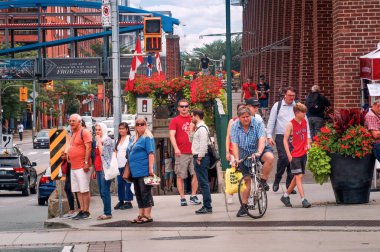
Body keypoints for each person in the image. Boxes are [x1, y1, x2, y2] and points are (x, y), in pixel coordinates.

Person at [231, 107, 275, 217]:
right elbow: (235, 143)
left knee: (270, 157)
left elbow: (261, 139)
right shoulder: (235, 125)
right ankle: (244, 206)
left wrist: (259, 152)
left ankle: (263, 181)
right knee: (246, 182)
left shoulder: (258, 123)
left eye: (247, 116)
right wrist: (236, 158)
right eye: (243, 117)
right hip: (244, 153)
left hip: (258, 150)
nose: (246, 119)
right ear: (239, 118)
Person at [267, 86, 311, 193]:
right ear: (285, 95)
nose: (292, 97)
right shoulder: (277, 106)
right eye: (290, 95)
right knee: (283, 158)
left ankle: (288, 185)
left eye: (293, 96)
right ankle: (277, 179)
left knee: (293, 161)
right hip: (281, 136)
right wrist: (269, 136)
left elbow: (306, 123)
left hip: (295, 137)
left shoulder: (298, 107)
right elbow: (271, 121)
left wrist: (308, 138)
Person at [169, 99, 201, 206]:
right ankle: (182, 197)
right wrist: (176, 148)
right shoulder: (174, 120)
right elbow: (172, 135)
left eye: (186, 106)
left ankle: (193, 195)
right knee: (180, 176)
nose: (184, 108)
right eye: (182, 106)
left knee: (196, 174)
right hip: (181, 152)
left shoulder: (194, 119)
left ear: (188, 107)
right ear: (178, 108)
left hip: (194, 151)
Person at [281, 103, 312, 208]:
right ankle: (303, 199)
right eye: (303, 112)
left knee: (297, 176)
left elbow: (307, 136)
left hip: (303, 153)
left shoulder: (304, 121)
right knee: (298, 176)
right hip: (294, 154)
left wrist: (308, 144)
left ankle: (285, 196)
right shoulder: (290, 124)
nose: (305, 114)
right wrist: (288, 154)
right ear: (297, 113)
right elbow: (284, 140)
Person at [128, 117, 155, 224]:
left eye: (142, 124)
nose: (140, 126)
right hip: (135, 170)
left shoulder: (147, 137)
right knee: (138, 193)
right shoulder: (134, 137)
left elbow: (151, 154)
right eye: (138, 124)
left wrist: (150, 169)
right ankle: (141, 213)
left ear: (146, 125)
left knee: (145, 192)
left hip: (144, 170)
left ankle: (148, 215)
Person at [67, 114, 93, 220]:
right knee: (77, 190)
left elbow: (88, 147)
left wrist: (86, 162)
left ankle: (86, 211)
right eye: (70, 121)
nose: (71, 123)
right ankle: (81, 209)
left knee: (84, 189)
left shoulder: (84, 132)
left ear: (79, 122)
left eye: (73, 121)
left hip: (82, 166)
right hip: (73, 166)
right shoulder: (74, 133)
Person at [189, 108, 212, 214]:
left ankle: (207, 206)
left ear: (197, 116)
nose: (191, 118)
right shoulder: (198, 128)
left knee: (203, 183)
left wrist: (199, 157)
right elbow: (191, 140)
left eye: (192, 116)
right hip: (199, 157)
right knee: (203, 182)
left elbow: (203, 145)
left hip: (200, 158)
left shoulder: (202, 128)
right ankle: (206, 205)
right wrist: (191, 130)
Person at [92, 122, 114, 220]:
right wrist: (94, 170)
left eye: (99, 129)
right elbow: (95, 156)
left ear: (103, 130)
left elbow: (104, 154)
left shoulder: (107, 140)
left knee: (105, 191)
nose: (97, 131)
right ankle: (106, 211)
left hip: (105, 168)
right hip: (98, 168)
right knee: (101, 192)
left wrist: (99, 141)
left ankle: (107, 212)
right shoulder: (97, 141)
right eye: (96, 130)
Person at [225, 103, 246, 204]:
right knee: (233, 173)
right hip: (233, 151)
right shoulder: (232, 121)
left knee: (245, 175)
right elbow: (228, 137)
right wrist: (227, 152)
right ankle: (230, 194)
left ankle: (245, 197)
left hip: (244, 151)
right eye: (241, 109)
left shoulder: (248, 121)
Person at [114, 122, 134, 210]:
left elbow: (132, 150)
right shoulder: (117, 139)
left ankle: (128, 201)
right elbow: (116, 151)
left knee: (128, 182)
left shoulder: (130, 138)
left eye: (123, 128)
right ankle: (121, 200)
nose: (121, 130)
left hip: (127, 164)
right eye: (120, 128)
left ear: (127, 129)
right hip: (118, 164)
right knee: (120, 183)